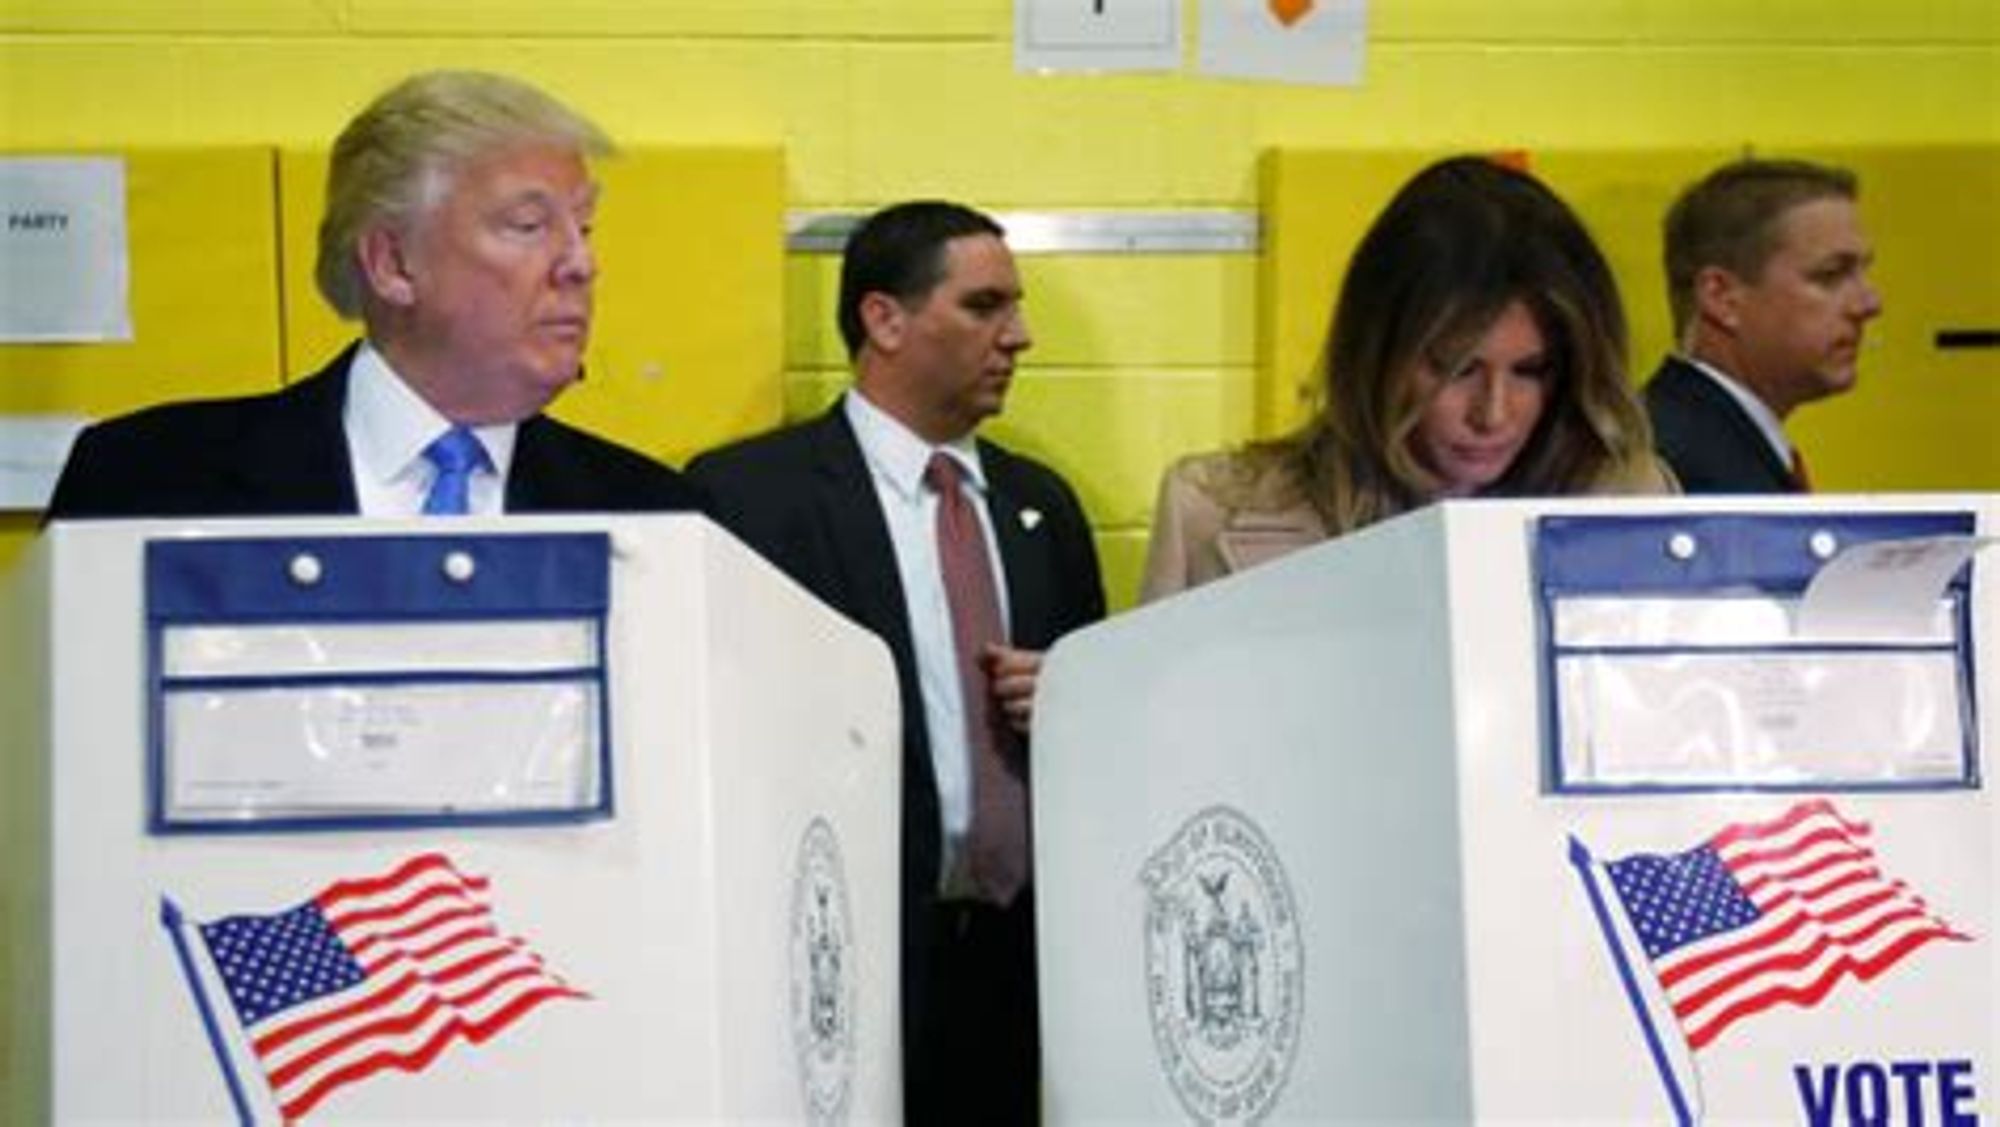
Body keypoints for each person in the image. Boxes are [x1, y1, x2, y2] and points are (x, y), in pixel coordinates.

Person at [687, 201, 1104, 1125]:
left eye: (1016, 306)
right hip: (840, 952)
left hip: (1016, 964)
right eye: (985, 305)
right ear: (885, 319)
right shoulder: (747, 498)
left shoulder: (1043, 509)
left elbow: (1098, 733)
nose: (1021, 335)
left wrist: (1078, 703)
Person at [46, 69, 703, 520]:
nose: (581, 263)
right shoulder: (146, 480)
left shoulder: (654, 513)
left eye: (583, 226)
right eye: (529, 226)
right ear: (393, 263)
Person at [1141, 154, 1670, 601]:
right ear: (1375, 353)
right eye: (1457, 368)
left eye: (1530, 371)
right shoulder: (1209, 508)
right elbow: (1152, 720)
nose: (1493, 412)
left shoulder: (1632, 503)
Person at [1642, 158, 1882, 494]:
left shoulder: (1695, 441)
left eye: (1862, 271)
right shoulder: (1671, 468)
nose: (1869, 305)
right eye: (1830, 275)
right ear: (1722, 297)